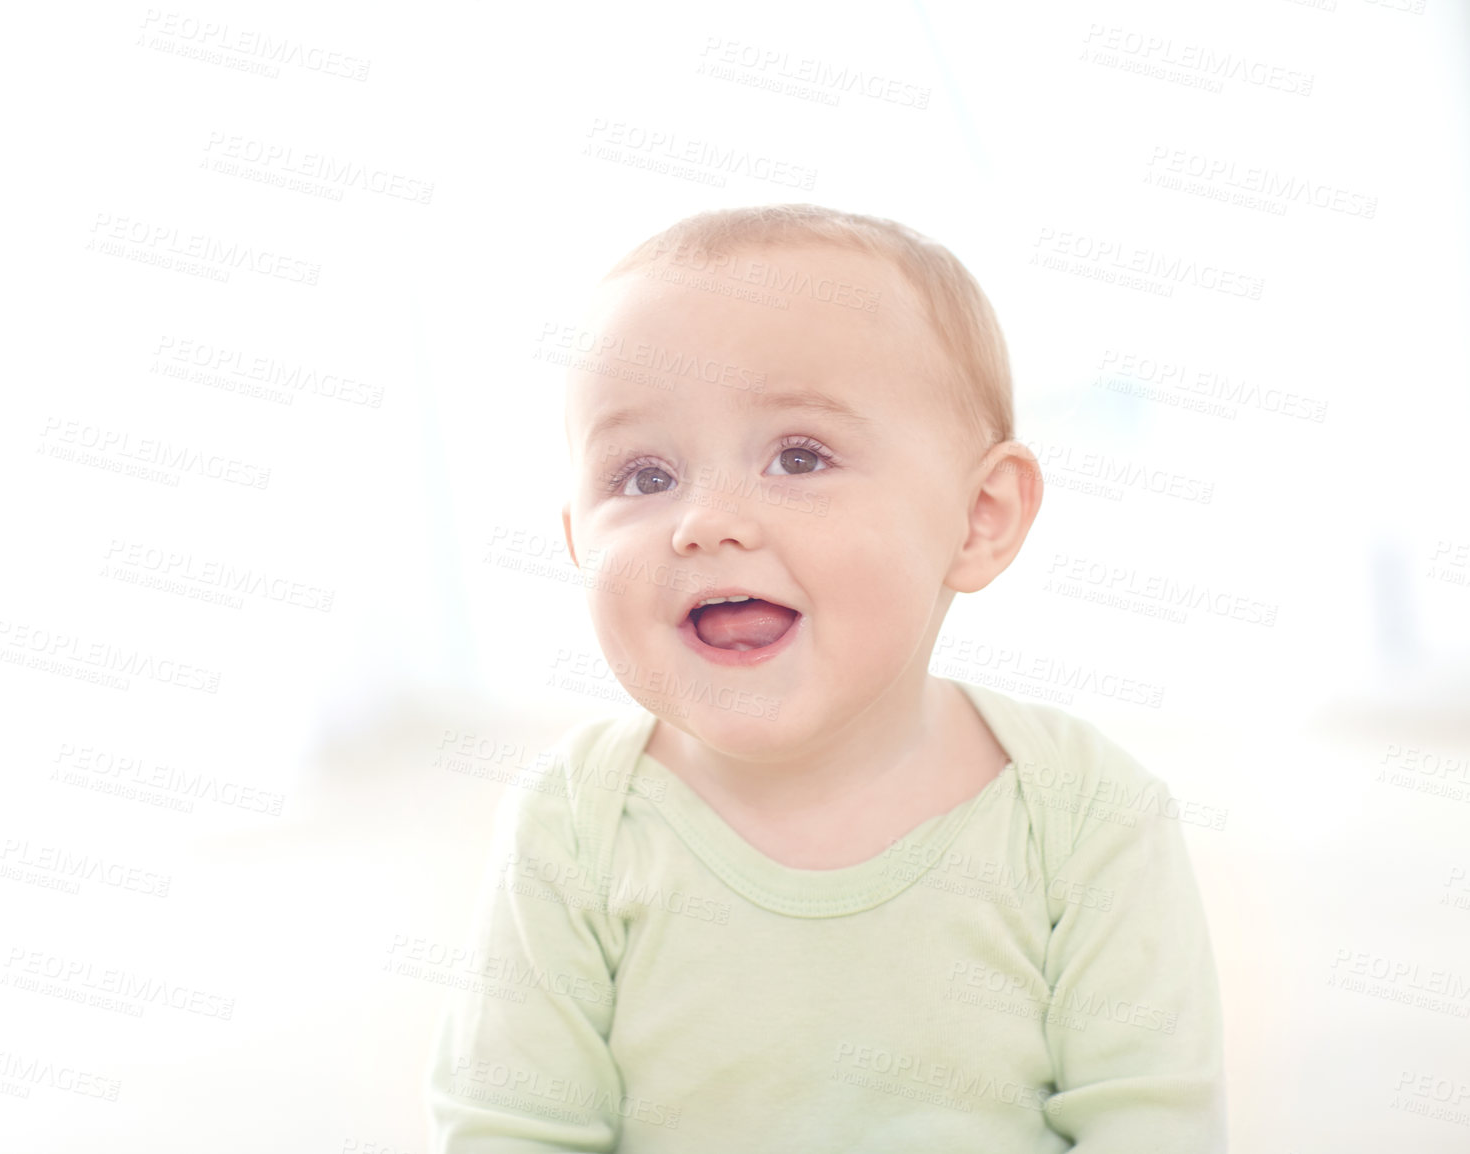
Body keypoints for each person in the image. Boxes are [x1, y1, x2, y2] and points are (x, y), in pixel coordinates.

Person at [425, 203, 1226, 1151]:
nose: (706, 522)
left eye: (797, 456)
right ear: (573, 538)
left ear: (979, 517)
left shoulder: (1088, 813)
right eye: (644, 477)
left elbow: (1150, 1121)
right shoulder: (575, 826)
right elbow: (510, 1128)